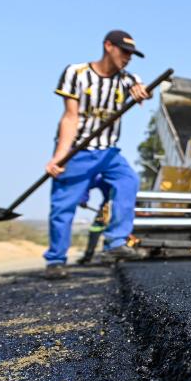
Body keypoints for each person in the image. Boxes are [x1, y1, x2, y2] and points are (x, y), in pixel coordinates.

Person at [43, 30, 150, 279]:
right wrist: (60, 156)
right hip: (77, 150)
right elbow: (70, 117)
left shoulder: (128, 79)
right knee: (63, 205)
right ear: (108, 46)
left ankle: (115, 243)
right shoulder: (76, 73)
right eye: (124, 52)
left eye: (132, 55)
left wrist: (142, 91)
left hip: (109, 152)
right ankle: (56, 260)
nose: (128, 58)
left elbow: (142, 90)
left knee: (128, 181)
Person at [76, 175, 112, 265]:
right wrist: (83, 200)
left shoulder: (123, 177)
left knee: (115, 230)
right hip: (106, 208)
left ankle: (111, 254)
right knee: (96, 228)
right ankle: (89, 255)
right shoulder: (101, 179)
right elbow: (86, 185)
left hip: (121, 206)